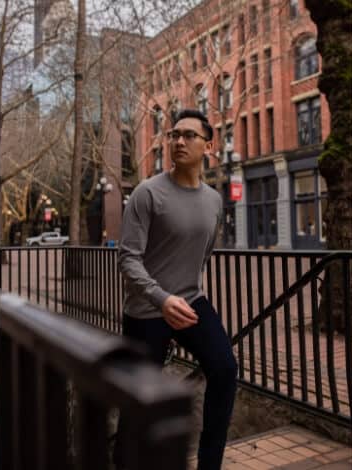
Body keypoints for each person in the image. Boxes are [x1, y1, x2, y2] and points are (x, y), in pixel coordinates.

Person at [118, 109, 237, 470]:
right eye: (174, 135)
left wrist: (180, 298)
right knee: (139, 399)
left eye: (189, 135)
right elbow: (127, 259)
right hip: (146, 310)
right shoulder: (147, 193)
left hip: (189, 302)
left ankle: (209, 463)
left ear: (209, 146)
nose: (179, 141)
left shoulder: (214, 201)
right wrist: (160, 298)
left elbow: (203, 256)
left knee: (225, 369)